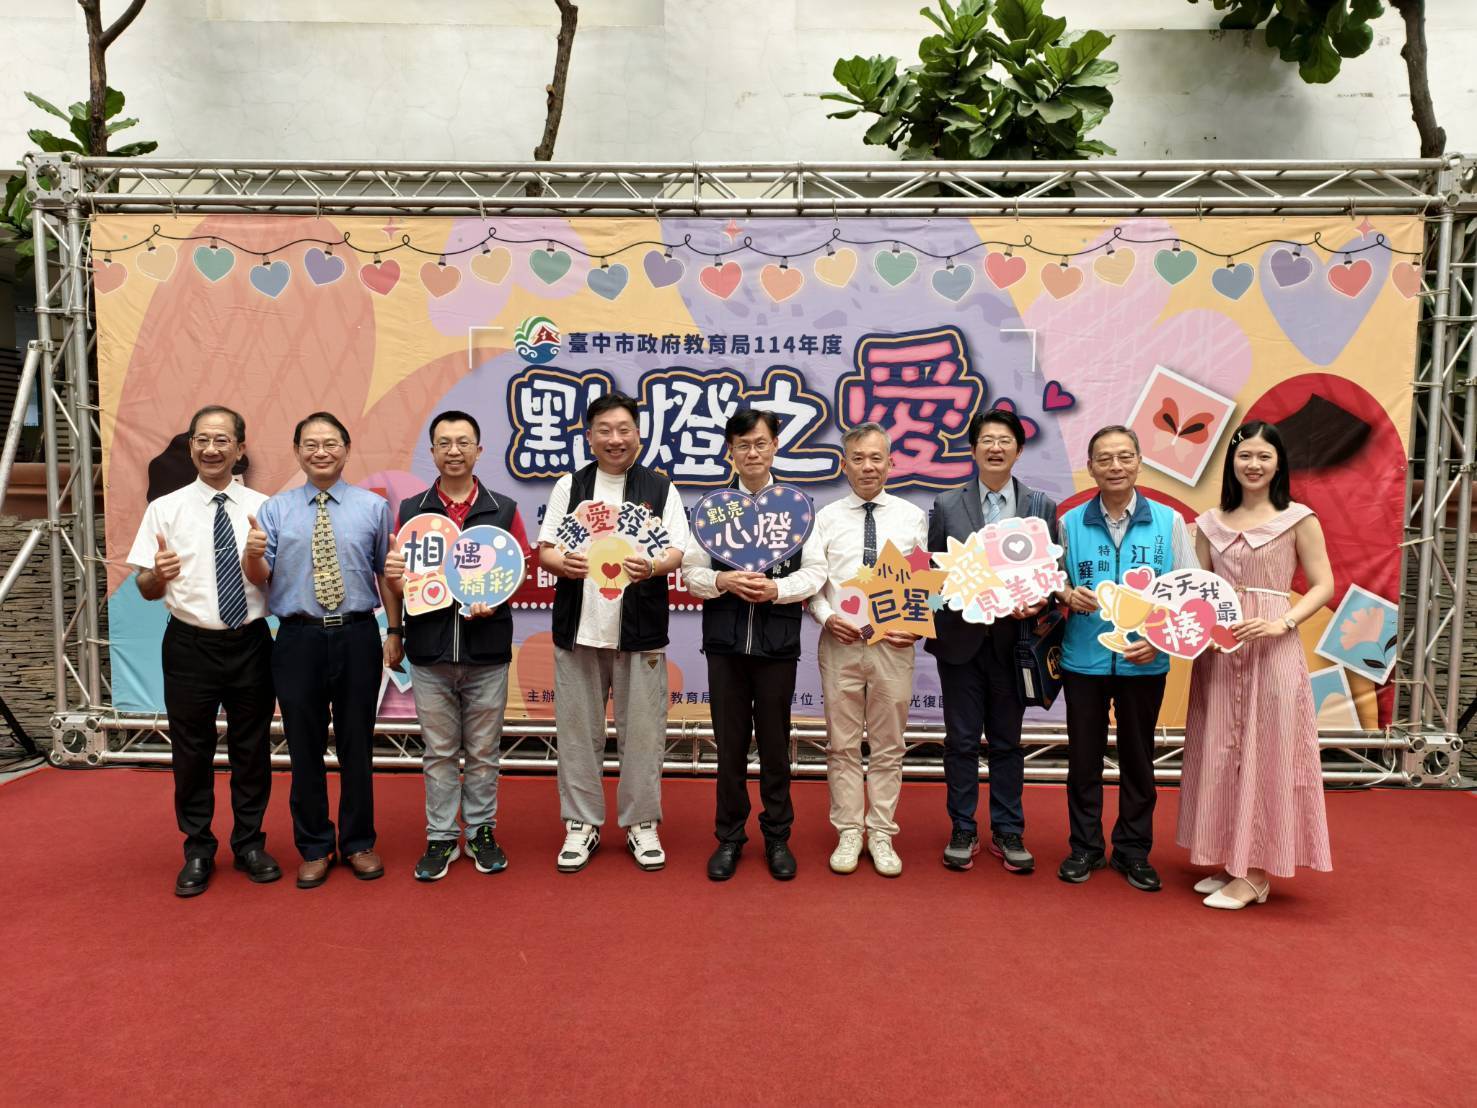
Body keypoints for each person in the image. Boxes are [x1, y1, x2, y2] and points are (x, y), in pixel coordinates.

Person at [1177, 420, 1335, 909]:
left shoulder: (1298, 518)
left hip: (1274, 648)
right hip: (1221, 653)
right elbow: (1198, 588)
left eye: (1264, 456)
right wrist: (1197, 632)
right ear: (1232, 462)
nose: (1254, 464)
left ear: (1279, 463)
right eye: (1245, 455)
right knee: (1220, 750)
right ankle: (1233, 860)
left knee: (1269, 753)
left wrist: (1282, 622)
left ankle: (1257, 875)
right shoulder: (1209, 523)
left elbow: (1324, 584)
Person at [128, 405, 278, 898]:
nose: (211, 449)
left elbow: (277, 581)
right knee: (191, 751)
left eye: (221, 440)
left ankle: (250, 844)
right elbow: (146, 588)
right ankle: (197, 848)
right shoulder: (164, 509)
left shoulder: (264, 507)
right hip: (189, 645)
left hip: (251, 643)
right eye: (202, 440)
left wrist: (260, 559)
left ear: (240, 448)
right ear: (191, 446)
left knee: (252, 749)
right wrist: (158, 575)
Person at [536, 393, 689, 873]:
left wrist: (654, 566)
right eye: (604, 430)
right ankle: (581, 823)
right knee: (577, 734)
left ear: (638, 435)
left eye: (624, 429)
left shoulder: (659, 488)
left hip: (640, 633)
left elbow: (676, 551)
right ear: (589, 436)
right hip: (579, 632)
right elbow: (546, 549)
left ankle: (641, 823)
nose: (615, 439)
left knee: (643, 734)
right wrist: (563, 563)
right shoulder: (571, 486)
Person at [243, 411, 392, 889]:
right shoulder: (275, 510)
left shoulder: (373, 507)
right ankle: (314, 845)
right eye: (310, 444)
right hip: (297, 638)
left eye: (330, 443)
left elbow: (386, 573)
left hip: (357, 634)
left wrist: (395, 631)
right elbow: (259, 577)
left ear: (346, 449)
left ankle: (359, 842)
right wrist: (251, 554)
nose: (321, 452)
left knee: (356, 745)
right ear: (297, 452)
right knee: (303, 747)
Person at [383, 410, 531, 882]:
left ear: (478, 450)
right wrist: (395, 623)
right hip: (429, 652)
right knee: (439, 752)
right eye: (444, 443)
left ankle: (482, 831)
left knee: (484, 753)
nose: (453, 451)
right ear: (432, 452)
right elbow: (399, 579)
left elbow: (518, 571)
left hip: (486, 651)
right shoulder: (412, 511)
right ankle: (442, 836)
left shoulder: (503, 508)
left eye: (463, 442)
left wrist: (495, 597)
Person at [682, 409, 827, 881]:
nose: (752, 452)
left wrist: (777, 589)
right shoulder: (713, 509)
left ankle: (778, 837)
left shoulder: (798, 508)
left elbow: (816, 572)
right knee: (728, 747)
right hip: (724, 647)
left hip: (777, 646)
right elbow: (690, 572)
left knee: (775, 746)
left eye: (760, 443)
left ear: (775, 446)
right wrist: (722, 580)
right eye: (742, 445)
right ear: (730, 451)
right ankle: (729, 838)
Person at [1056, 425, 1199, 892]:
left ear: (1139, 462)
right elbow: (1053, 580)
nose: (1115, 466)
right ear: (1091, 467)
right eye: (1104, 458)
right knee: (1083, 761)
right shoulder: (1070, 523)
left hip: (1144, 661)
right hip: (1084, 661)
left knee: (1139, 760)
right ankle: (1085, 847)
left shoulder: (1169, 522)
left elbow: (1190, 594)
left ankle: (1133, 851)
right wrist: (1066, 594)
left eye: (1124, 457)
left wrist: (1159, 641)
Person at [927, 407, 1059, 875]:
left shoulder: (1041, 507)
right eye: (987, 440)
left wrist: (1039, 602)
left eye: (1005, 441)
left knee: (1007, 741)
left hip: (1015, 645)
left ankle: (1008, 829)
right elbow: (934, 578)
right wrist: (947, 600)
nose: (996, 448)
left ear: (1019, 450)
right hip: (960, 644)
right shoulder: (946, 505)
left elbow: (1052, 577)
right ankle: (963, 828)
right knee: (961, 741)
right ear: (973, 449)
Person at [808, 422, 928, 877]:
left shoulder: (912, 516)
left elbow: (924, 583)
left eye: (876, 458)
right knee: (841, 744)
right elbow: (814, 584)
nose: (868, 466)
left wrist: (914, 627)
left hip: (892, 646)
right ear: (844, 465)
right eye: (857, 458)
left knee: (888, 744)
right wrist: (826, 617)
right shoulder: (826, 518)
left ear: (891, 463)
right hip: (839, 643)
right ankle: (847, 830)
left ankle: (880, 832)